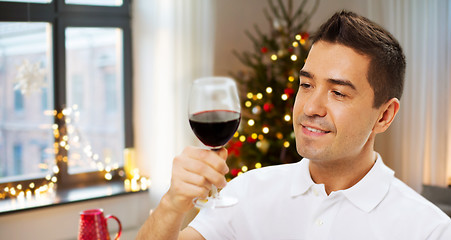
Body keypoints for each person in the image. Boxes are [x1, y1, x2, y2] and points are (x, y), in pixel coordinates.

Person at [137, 10, 451, 240]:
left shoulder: (428, 230)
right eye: (306, 85)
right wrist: (172, 203)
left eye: (338, 92)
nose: (311, 108)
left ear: (384, 115)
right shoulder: (247, 192)